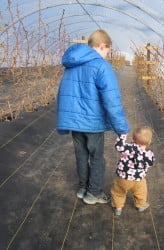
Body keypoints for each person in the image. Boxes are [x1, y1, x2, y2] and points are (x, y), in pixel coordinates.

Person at [57, 29, 130, 205]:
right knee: (97, 157)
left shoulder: (71, 65)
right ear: (102, 46)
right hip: (92, 122)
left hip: (75, 122)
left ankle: (83, 189)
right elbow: (112, 100)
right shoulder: (101, 65)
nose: (107, 55)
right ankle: (94, 193)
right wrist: (122, 128)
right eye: (107, 50)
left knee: (81, 155)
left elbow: (63, 93)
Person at [111, 126, 155, 216]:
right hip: (139, 179)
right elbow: (150, 164)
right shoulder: (149, 154)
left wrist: (123, 136)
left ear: (133, 139)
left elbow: (118, 146)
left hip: (123, 177)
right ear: (149, 142)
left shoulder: (127, 148)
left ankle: (118, 208)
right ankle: (140, 205)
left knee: (118, 192)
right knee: (141, 192)